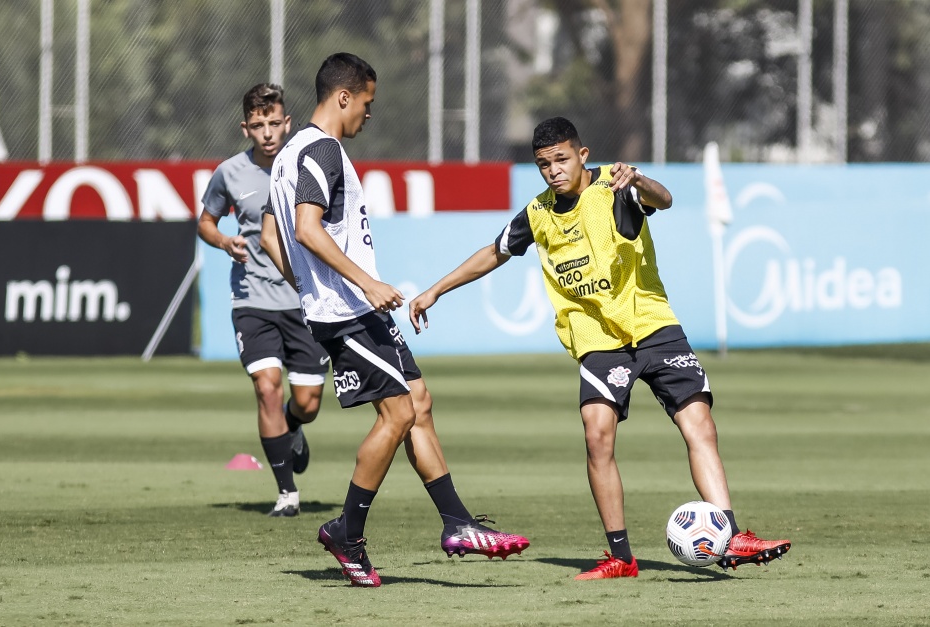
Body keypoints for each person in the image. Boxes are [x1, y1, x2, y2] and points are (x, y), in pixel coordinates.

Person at [409, 117, 792, 580]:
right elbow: (494, 252)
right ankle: (620, 557)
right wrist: (436, 290)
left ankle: (730, 537)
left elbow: (663, 200)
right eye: (543, 164)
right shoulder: (539, 213)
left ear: (583, 155)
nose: (553, 170)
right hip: (597, 341)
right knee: (597, 435)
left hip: (653, 326)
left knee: (699, 424)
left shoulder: (616, 186)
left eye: (561, 159)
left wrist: (640, 180)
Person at [260, 52, 529, 588]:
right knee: (398, 414)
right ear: (343, 97)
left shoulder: (285, 156)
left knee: (418, 402)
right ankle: (348, 533)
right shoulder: (321, 150)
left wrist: (310, 289)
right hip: (349, 312)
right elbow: (307, 229)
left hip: (347, 308)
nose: (368, 114)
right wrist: (360, 284)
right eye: (367, 102)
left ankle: (457, 523)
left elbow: (272, 236)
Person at [198, 83, 329, 518]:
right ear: (245, 128)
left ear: (288, 123)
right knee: (267, 388)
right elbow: (206, 222)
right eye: (258, 125)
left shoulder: (308, 166)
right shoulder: (229, 173)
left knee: (307, 403)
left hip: (303, 299)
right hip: (251, 298)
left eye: (275, 123)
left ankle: (292, 429)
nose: (268, 133)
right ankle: (287, 493)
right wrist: (222, 241)